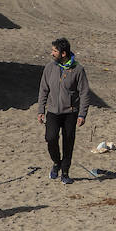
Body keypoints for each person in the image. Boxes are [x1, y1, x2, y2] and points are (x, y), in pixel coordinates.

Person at [37, 37, 91, 184]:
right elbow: (43, 89)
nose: (52, 53)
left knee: (68, 142)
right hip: (53, 112)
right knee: (50, 138)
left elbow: (84, 93)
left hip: (71, 113)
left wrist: (82, 114)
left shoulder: (78, 70)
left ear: (63, 53)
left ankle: (65, 173)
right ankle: (56, 162)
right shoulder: (49, 68)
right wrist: (41, 109)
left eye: (55, 50)